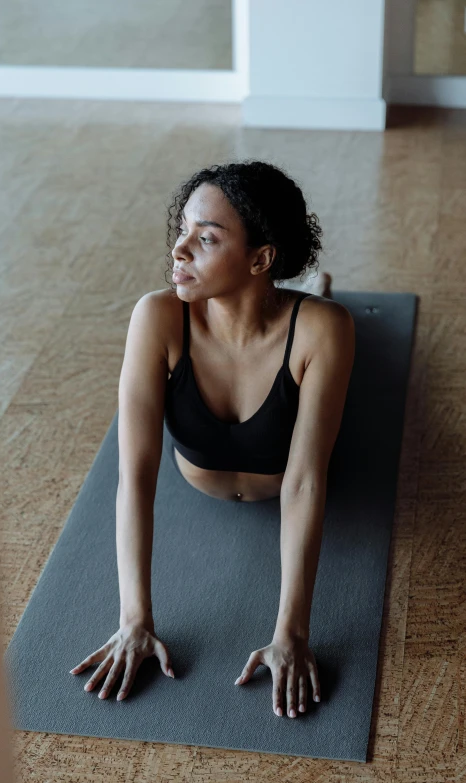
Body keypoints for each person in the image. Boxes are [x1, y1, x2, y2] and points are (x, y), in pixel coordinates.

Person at [70, 160, 355, 721]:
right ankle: (303, 289)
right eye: (182, 231)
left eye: (205, 238)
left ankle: (309, 291)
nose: (179, 250)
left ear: (261, 257)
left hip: (280, 458)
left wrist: (291, 634)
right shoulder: (157, 317)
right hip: (198, 476)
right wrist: (134, 619)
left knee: (330, 317)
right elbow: (135, 475)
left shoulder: (324, 329)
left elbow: (303, 482)